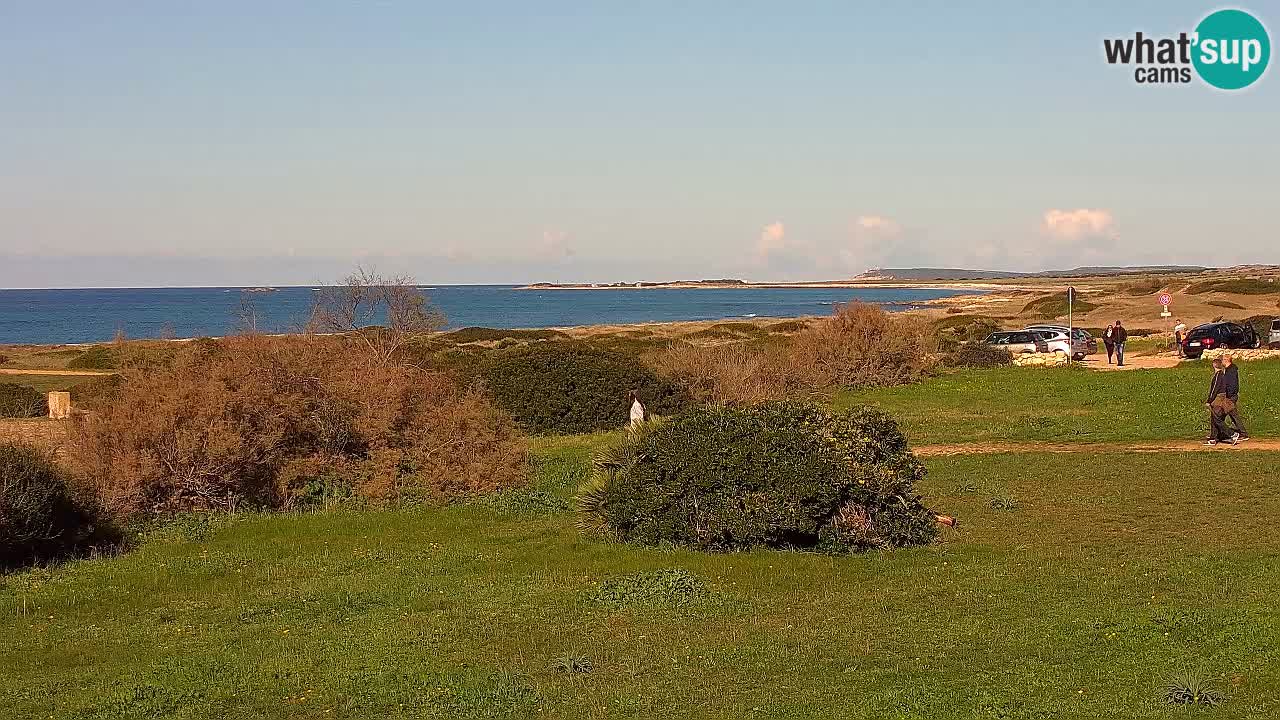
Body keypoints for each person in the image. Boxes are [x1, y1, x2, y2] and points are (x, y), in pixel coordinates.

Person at [1221, 353, 1249, 442]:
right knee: (1231, 415)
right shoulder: (1229, 369)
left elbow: (1232, 384)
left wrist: (1228, 395)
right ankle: (1218, 432)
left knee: (1230, 415)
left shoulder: (1231, 371)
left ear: (1226, 360)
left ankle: (1242, 433)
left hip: (1230, 396)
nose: (1221, 361)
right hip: (1230, 395)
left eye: (1223, 360)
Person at [1205, 358, 1233, 445]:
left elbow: (1214, 389)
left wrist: (1209, 400)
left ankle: (1231, 434)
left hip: (1218, 398)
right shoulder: (1223, 374)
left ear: (1214, 365)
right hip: (1222, 397)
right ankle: (1214, 438)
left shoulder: (1218, 375)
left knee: (1216, 418)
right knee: (1215, 418)